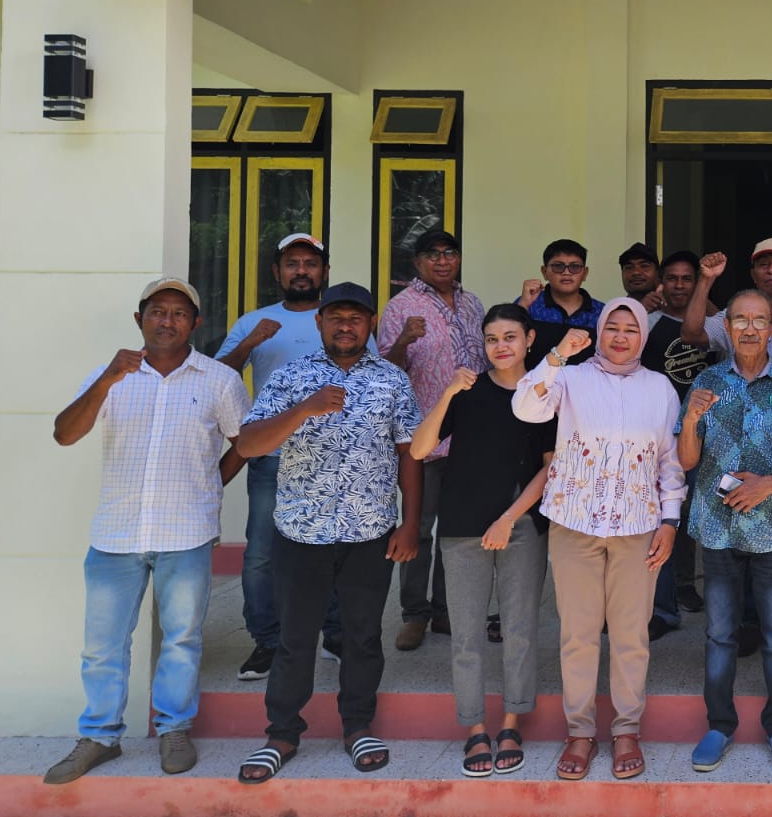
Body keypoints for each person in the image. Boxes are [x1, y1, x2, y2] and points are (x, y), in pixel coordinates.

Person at [43, 279, 249, 785]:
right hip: (116, 535)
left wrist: (210, 485)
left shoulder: (220, 380)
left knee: (182, 639)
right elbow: (65, 434)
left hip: (187, 533)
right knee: (103, 645)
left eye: (179, 313)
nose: (167, 321)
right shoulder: (112, 375)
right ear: (140, 320)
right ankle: (99, 735)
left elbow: (246, 442)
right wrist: (107, 379)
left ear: (195, 323)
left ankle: (174, 729)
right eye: (157, 311)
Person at [234, 283, 423, 784]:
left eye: (356, 318)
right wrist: (305, 408)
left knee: (362, 636)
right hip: (301, 531)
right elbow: (249, 444)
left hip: (370, 530)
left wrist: (410, 524)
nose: (345, 326)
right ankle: (282, 733)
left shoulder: (392, 380)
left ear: (370, 325)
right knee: (295, 638)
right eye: (336, 317)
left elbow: (409, 454)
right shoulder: (291, 377)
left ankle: (357, 726)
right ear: (319, 323)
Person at [514, 298, 684, 781]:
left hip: (638, 527)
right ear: (600, 331)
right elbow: (525, 407)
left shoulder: (660, 388)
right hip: (574, 524)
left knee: (631, 635)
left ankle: (626, 729)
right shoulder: (571, 378)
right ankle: (580, 732)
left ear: (643, 336)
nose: (621, 337)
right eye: (613, 327)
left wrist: (670, 521)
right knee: (578, 634)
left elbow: (668, 460)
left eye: (631, 329)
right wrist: (556, 356)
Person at [410, 303, 558, 777]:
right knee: (466, 634)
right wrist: (448, 392)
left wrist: (509, 519)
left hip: (522, 526)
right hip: (462, 526)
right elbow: (419, 448)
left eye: (510, 337)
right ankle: (474, 727)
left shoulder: (545, 393)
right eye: (492, 338)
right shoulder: (468, 391)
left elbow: (550, 468)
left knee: (520, 629)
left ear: (529, 340)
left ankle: (512, 722)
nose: (501, 346)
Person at [678, 289, 772, 774]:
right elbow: (687, 461)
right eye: (739, 319)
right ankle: (719, 725)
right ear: (727, 326)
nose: (749, 328)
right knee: (719, 634)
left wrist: (771, 483)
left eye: (760, 320)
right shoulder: (706, 381)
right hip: (716, 528)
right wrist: (691, 420)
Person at [217, 232, 373, 680]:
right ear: (277, 271)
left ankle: (335, 635)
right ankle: (267, 640)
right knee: (262, 554)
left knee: (336, 547)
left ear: (324, 272)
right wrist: (250, 343)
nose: (301, 270)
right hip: (272, 453)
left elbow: (372, 374)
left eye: (310, 263)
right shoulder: (254, 321)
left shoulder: (342, 319)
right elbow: (214, 377)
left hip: (334, 456)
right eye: (292, 263)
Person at [379, 229, 486, 653]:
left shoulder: (473, 303)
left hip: (470, 438)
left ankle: (444, 610)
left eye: (450, 253)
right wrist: (403, 340)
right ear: (417, 262)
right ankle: (413, 614)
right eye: (433, 254)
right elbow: (385, 372)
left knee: (456, 531)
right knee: (419, 528)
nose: (442, 260)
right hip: (423, 438)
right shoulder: (400, 306)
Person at [642, 250, 717, 631]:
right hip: (663, 436)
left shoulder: (715, 323)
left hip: (711, 435)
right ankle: (663, 607)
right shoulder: (649, 322)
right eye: (672, 278)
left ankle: (689, 588)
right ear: (661, 283)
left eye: (687, 278)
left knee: (704, 519)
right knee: (667, 517)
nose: (679, 285)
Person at [682, 240, 772, 363]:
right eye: (763, 264)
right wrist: (705, 279)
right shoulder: (734, 315)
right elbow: (691, 335)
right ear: (753, 275)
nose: (771, 270)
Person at [519, 238, 604, 369]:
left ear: (585, 273)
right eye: (558, 266)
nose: (566, 272)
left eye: (575, 267)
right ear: (544, 272)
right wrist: (523, 305)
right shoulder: (529, 304)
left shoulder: (601, 312)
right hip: (535, 380)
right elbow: (509, 341)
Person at [618, 241, 664, 311]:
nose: (636, 272)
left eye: (644, 266)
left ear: (658, 273)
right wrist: (640, 308)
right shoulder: (613, 312)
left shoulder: (671, 308)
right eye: (629, 267)